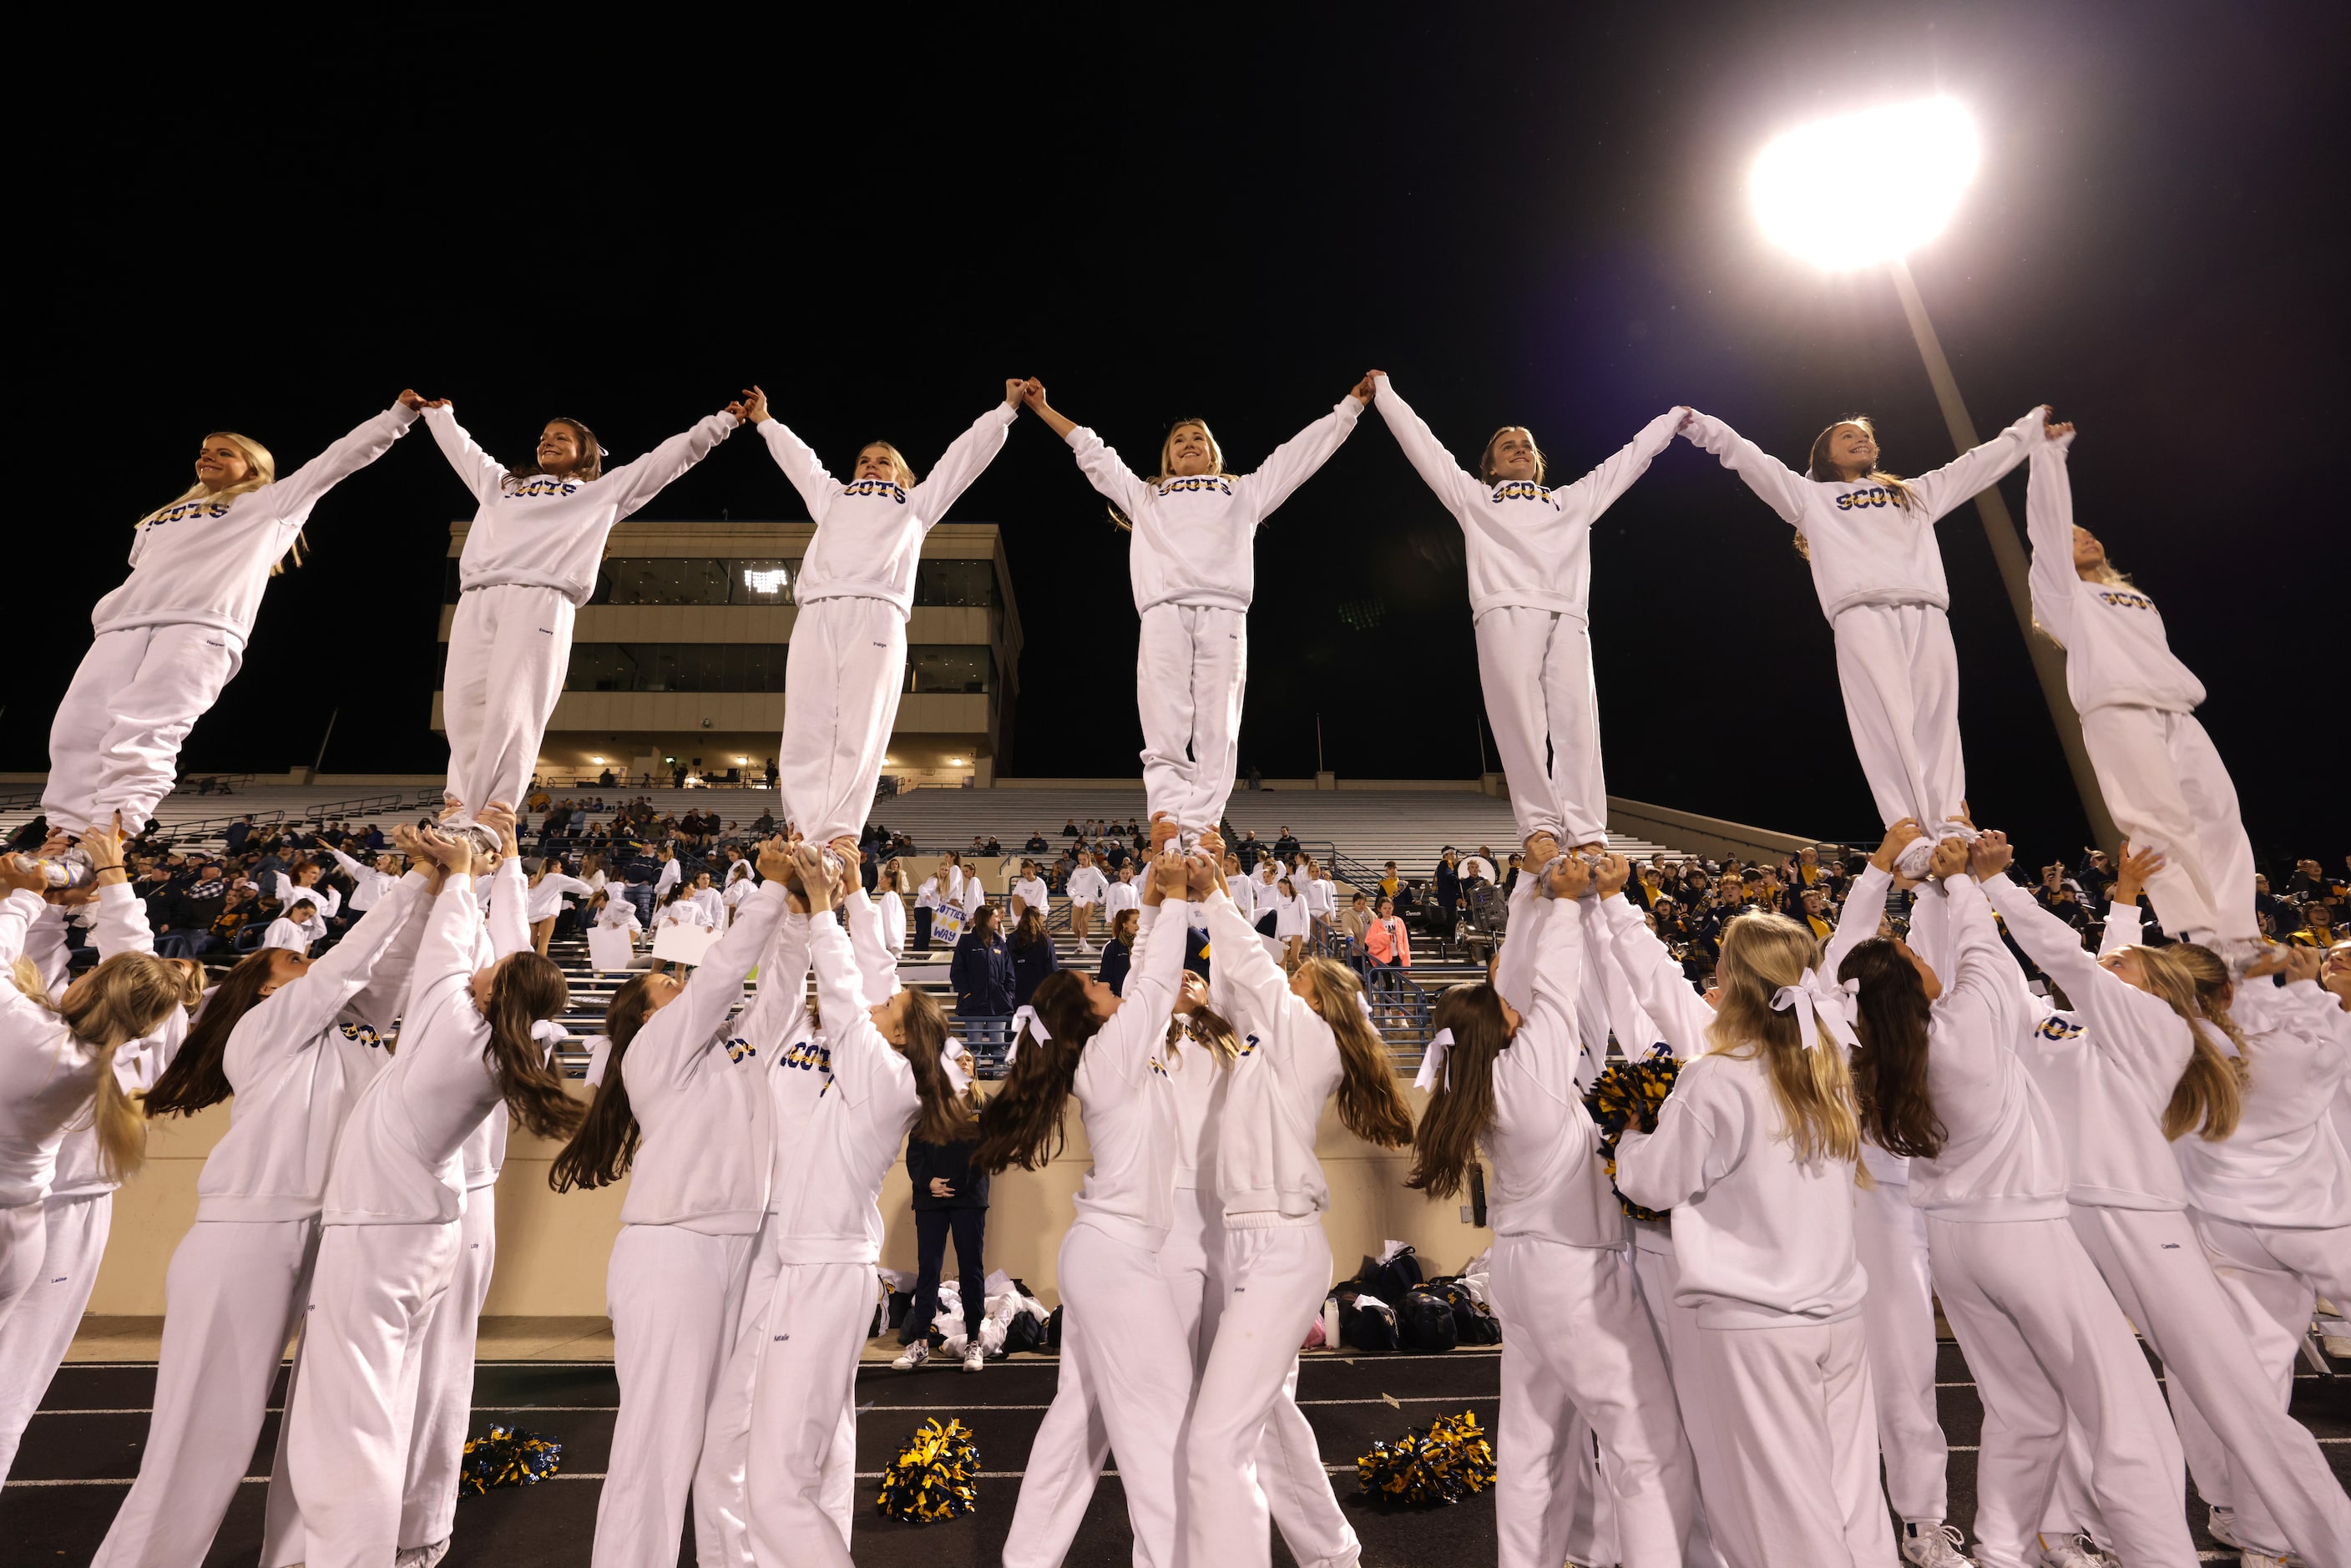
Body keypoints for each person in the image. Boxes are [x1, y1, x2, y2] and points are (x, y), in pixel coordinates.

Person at [1980, 837, 2351, 1568]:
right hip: (2085, 1217)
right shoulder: (2096, 1023)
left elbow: (2076, 962)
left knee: (2232, 1387)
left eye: (2124, 967)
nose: (2110, 963)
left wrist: (1996, 887)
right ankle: (2225, 1526)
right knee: (2112, 1385)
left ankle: (2315, 1537)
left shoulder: (2150, 1026)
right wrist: (2119, 898)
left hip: (2156, 1220)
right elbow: (2091, 971)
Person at [1839, 836, 2193, 1568]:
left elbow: (1932, 968)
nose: (1923, 955)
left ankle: (2003, 1551)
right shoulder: (1967, 1029)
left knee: (2024, 1413)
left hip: (1954, 1250)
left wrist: (1925, 889)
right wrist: (1962, 881)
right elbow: (1986, 954)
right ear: (1912, 981)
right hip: (2022, 1234)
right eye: (1912, 957)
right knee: (2121, 1411)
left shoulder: (1868, 1055)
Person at [91, 840, 433, 1567]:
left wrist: (440, 887)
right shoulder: (262, 1029)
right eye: (293, 961)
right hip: (248, 1232)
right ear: (264, 988)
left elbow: (390, 968)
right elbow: (350, 966)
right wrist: (413, 883)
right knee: (201, 1434)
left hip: (340, 1235)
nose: (308, 961)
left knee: (325, 1434)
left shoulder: (356, 1032)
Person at [281, 822, 585, 1568]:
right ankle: (406, 1544)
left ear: (494, 990)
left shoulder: (449, 1026)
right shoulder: (491, 1043)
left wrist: (458, 873)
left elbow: (451, 945)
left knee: (351, 1421)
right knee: (389, 1403)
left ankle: (355, 1556)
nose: (485, 964)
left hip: (382, 1236)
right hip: (423, 1236)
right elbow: (475, 958)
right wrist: (494, 869)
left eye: (498, 966)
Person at [1408, 852, 1698, 1568]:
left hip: (1519, 1271)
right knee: (1647, 1444)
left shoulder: (1478, 1087)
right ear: (1501, 1030)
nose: (1517, 1005)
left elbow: (1515, 989)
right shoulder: (1531, 1076)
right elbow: (1555, 987)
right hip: (1571, 1273)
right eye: (1506, 1007)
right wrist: (1564, 903)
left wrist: (1527, 893)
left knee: (1535, 1446)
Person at [701, 842, 971, 1568]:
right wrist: (852, 897)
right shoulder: (885, 1067)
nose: (879, 1002)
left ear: (902, 1034)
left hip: (824, 1274)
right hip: (809, 1266)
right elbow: (873, 991)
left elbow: (857, 1000)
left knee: (774, 1485)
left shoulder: (887, 1081)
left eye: (892, 1009)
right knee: (798, 1461)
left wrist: (825, 907)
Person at [1609, 891, 1893, 1568]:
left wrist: (1627, 1141)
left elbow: (1654, 1182)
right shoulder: (1831, 1071)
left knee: (1777, 1513)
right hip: (1839, 1316)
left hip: (1753, 1323)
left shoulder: (1717, 1079)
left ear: (1735, 984)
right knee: (1852, 1500)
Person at [546, 835, 796, 1568]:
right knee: (656, 1444)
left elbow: (777, 994)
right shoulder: (649, 1053)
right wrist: (771, 891)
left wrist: (805, 918)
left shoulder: (730, 1048)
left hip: (739, 1248)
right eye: (664, 981)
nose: (679, 982)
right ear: (642, 1014)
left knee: (729, 1438)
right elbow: (721, 976)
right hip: (673, 1252)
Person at [40, 402, 418, 878]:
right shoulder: (160, 515)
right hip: (122, 624)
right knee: (75, 729)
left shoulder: (271, 503)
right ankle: (65, 833)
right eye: (204, 451)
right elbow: (147, 569)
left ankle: (105, 840)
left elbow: (337, 460)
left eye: (224, 452)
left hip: (201, 626)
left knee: (146, 728)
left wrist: (396, 416)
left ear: (253, 466)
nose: (208, 457)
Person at [1681, 402, 2047, 873]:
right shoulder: (1808, 497)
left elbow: (1976, 465)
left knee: (1937, 717)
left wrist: (2030, 428)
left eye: (1865, 435)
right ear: (1825, 455)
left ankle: (1953, 819)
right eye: (1846, 435)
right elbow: (1751, 459)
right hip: (1860, 612)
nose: (1860, 438)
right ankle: (1908, 831)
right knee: (1884, 721)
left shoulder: (1913, 494)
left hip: (1926, 608)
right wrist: (1704, 426)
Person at [1186, 834, 1414, 1568]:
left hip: (1283, 1244)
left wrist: (1215, 891)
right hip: (1243, 1238)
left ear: (1318, 1004)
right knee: (1267, 1418)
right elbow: (1237, 983)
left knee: (1216, 1436)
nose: (1285, 983)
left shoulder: (1310, 1041)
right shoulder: (1265, 1041)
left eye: (1299, 982)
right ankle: (1333, 1554)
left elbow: (1253, 968)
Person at [1020, 376, 1372, 842]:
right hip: (1164, 611)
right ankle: (1167, 813)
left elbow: (1298, 456)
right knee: (1163, 715)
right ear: (1167, 457)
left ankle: (1204, 820)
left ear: (1214, 453)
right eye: (1179, 440)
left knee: (1218, 722)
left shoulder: (1243, 492)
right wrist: (1043, 409)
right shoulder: (1145, 496)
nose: (1189, 444)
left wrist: (1348, 409)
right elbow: (1093, 451)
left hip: (1224, 613)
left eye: (1198, 439)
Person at [1373, 373, 1689, 857]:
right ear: (1492, 467)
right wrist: (1388, 396)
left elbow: (1629, 459)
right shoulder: (1473, 498)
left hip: (1567, 615)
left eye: (1526, 445)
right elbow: (1425, 447)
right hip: (1504, 609)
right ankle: (1540, 824)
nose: (1519, 448)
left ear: (1538, 462)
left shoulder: (1572, 499)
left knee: (1578, 725)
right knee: (1520, 721)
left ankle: (1587, 832)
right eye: (1507, 446)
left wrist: (1670, 423)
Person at [417, 390, 742, 847]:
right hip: (479, 595)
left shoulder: (599, 493)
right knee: (464, 705)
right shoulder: (501, 484)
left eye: (561, 437)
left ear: (583, 452)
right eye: (544, 436)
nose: (547, 442)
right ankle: (457, 806)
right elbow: (464, 450)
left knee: (514, 706)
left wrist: (719, 423)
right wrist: (439, 415)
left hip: (542, 598)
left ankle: (494, 810)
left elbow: (666, 460)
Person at [985, 844, 1192, 1560]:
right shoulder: (1107, 1061)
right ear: (1087, 1016)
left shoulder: (1110, 1058)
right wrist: (1170, 894)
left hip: (1107, 1256)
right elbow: (1155, 976)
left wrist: (1161, 898)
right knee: (1164, 1421)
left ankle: (1026, 1558)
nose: (1112, 988)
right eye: (1097, 987)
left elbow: (1148, 982)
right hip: (1117, 1262)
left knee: (1081, 1423)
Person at [741, 382, 1022, 865]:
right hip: (817, 611)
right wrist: (766, 421)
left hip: (877, 612)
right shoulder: (831, 497)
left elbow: (962, 458)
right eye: (865, 460)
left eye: (883, 461)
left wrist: (1005, 411)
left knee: (859, 726)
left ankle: (840, 831)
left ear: (905, 477)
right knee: (807, 721)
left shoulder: (915, 505)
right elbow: (801, 460)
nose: (871, 465)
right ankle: (801, 826)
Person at [2024, 423, 2256, 950]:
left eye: (2089, 534)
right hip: (2116, 709)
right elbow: (2045, 525)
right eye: (2073, 536)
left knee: (2221, 815)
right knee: (2159, 820)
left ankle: (2240, 933)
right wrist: (2049, 458)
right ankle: (2198, 933)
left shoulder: (2136, 597)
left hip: (2175, 708)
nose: (2084, 537)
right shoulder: (2065, 597)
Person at [892, 1117, 992, 1373]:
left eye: (969, 1071)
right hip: (930, 1199)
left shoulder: (984, 1106)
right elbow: (914, 1152)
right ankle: (921, 1343)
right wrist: (928, 1182)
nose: (963, 1073)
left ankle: (973, 1342)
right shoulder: (928, 1109)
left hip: (969, 1199)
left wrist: (954, 1185)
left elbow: (986, 1152)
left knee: (971, 1269)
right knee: (929, 1269)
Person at [952, 903, 1015, 1017]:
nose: (998, 920)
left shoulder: (999, 943)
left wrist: (1008, 994)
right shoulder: (966, 942)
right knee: (974, 1035)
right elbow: (957, 971)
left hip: (999, 1004)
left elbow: (1009, 971)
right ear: (986, 919)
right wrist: (966, 993)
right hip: (973, 1003)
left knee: (998, 1035)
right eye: (995, 917)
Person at [1009, 906, 1060, 1008]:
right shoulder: (1044, 938)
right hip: (1040, 989)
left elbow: (1008, 965)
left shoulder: (1013, 937)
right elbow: (1052, 967)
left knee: (1019, 1022)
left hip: (1018, 988)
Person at [1067, 849, 1109, 954]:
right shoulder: (1076, 871)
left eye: (1084, 859)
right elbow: (1070, 885)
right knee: (1074, 925)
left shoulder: (1094, 871)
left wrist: (1101, 900)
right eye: (1080, 859)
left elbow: (1104, 885)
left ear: (1088, 859)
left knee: (1084, 920)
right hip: (1078, 898)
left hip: (1089, 898)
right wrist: (1072, 895)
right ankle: (1083, 944)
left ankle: (1081, 945)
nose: (1082, 861)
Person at [1096, 908, 1141, 994]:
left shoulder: (1145, 946)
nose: (1138, 926)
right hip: (1119, 998)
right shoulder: (1112, 947)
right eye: (1135, 922)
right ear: (1125, 925)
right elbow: (1105, 976)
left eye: (1140, 923)